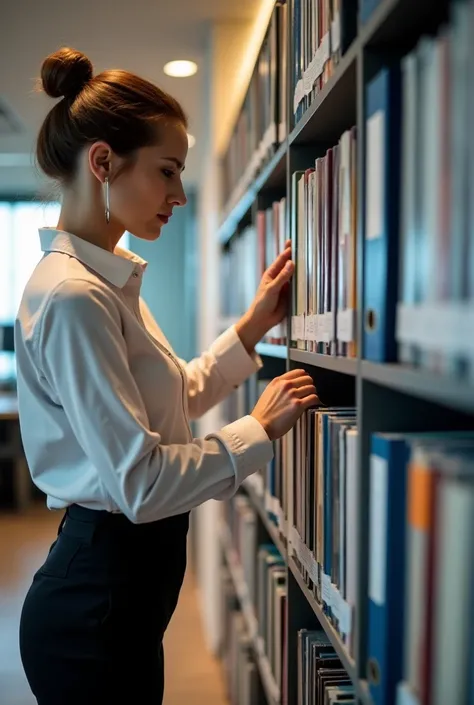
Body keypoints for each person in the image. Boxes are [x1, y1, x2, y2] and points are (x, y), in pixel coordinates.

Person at [15, 47, 318, 705]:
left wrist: (251, 328)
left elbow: (170, 396)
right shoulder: (75, 295)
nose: (181, 195)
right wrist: (256, 431)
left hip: (120, 599)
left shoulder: (106, 277)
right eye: (168, 171)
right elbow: (142, 481)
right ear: (103, 162)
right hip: (93, 611)